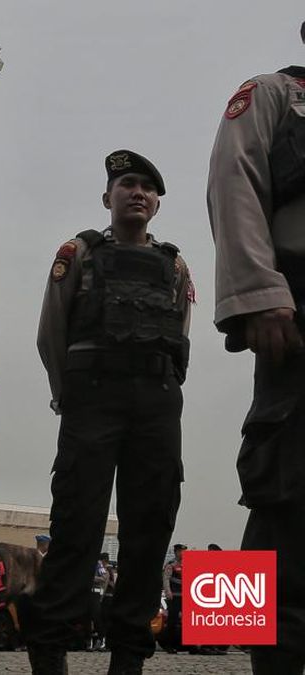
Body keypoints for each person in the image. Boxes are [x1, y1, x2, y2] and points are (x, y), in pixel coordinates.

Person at [26, 150, 192, 675]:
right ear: (108, 197)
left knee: (148, 532)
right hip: (92, 399)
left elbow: (180, 332)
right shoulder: (78, 253)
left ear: (157, 202)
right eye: (126, 184)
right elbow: (51, 332)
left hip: (156, 403)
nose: (137, 192)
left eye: (146, 186)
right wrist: (66, 393)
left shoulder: (175, 264)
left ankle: (129, 660)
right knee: (77, 528)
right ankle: (50, 653)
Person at [206, 21, 305, 675]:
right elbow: (234, 181)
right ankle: (253, 651)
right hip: (293, 310)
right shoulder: (273, 95)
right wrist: (261, 293)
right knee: (279, 491)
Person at [161, 544, 186, 654]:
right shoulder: (171, 565)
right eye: (181, 551)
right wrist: (168, 592)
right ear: (176, 552)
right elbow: (166, 579)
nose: (183, 553)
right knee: (173, 620)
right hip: (174, 596)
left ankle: (186, 644)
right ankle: (168, 645)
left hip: (184, 596)